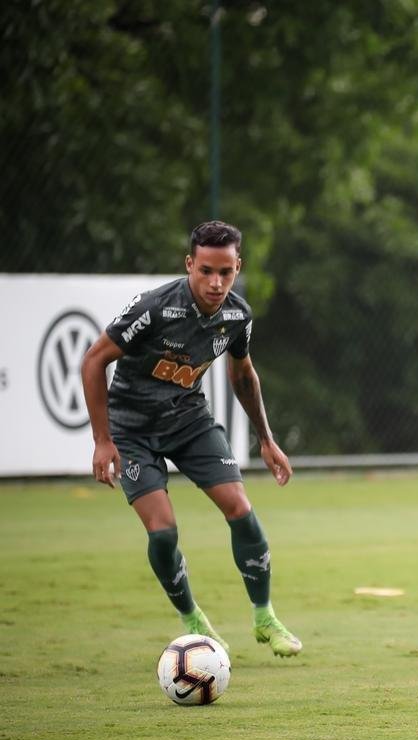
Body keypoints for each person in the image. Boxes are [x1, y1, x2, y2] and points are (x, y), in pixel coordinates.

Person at [80, 220, 302, 657]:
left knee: (241, 509)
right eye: (206, 271)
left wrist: (266, 439)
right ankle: (192, 619)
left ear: (238, 268)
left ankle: (265, 618)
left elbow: (243, 373)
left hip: (189, 422)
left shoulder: (238, 315)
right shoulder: (154, 308)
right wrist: (103, 440)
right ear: (189, 265)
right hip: (132, 430)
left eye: (225, 272)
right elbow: (93, 361)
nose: (216, 283)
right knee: (163, 533)